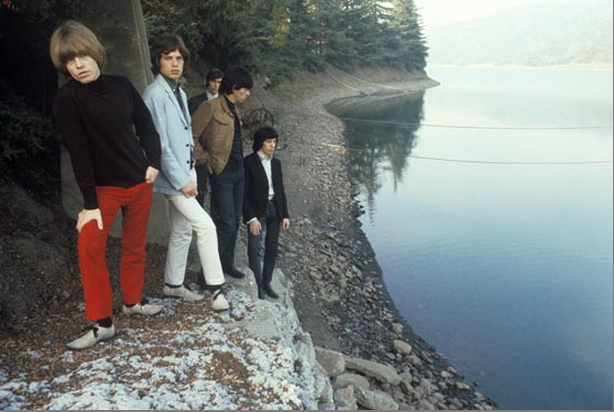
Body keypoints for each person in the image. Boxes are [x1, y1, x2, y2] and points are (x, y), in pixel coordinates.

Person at [50, 20, 163, 350]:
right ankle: (102, 323)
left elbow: (146, 126)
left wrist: (153, 162)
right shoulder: (67, 99)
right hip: (103, 190)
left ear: (95, 52)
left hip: (139, 183)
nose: (78, 64)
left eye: (83, 55)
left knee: (135, 245)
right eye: (69, 60)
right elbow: (79, 152)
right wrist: (90, 204)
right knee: (89, 248)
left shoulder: (122, 86)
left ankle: (133, 301)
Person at [143, 35, 229, 311]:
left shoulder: (178, 92)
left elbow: (186, 134)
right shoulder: (154, 94)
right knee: (206, 226)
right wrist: (182, 182)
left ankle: (173, 285)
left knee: (182, 231)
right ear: (158, 61)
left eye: (179, 58)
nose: (175, 63)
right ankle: (216, 290)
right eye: (168, 58)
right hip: (172, 178)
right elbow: (159, 145)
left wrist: (191, 169)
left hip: (185, 171)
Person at [192, 67, 253, 280]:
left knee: (235, 222)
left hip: (239, 171)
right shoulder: (210, 107)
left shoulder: (235, 109)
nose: (248, 94)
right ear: (234, 87)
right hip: (222, 172)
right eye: (245, 89)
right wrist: (204, 159)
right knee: (225, 223)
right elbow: (191, 136)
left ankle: (226, 264)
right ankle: (207, 273)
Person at [243, 127, 290, 299]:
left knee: (272, 247)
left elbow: (280, 190)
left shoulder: (276, 163)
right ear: (260, 143)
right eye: (268, 142)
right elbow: (244, 193)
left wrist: (285, 214)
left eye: (274, 142)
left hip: (274, 209)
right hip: (257, 212)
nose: (272, 146)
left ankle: (267, 282)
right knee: (254, 247)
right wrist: (251, 218)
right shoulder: (248, 162)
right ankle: (257, 285)